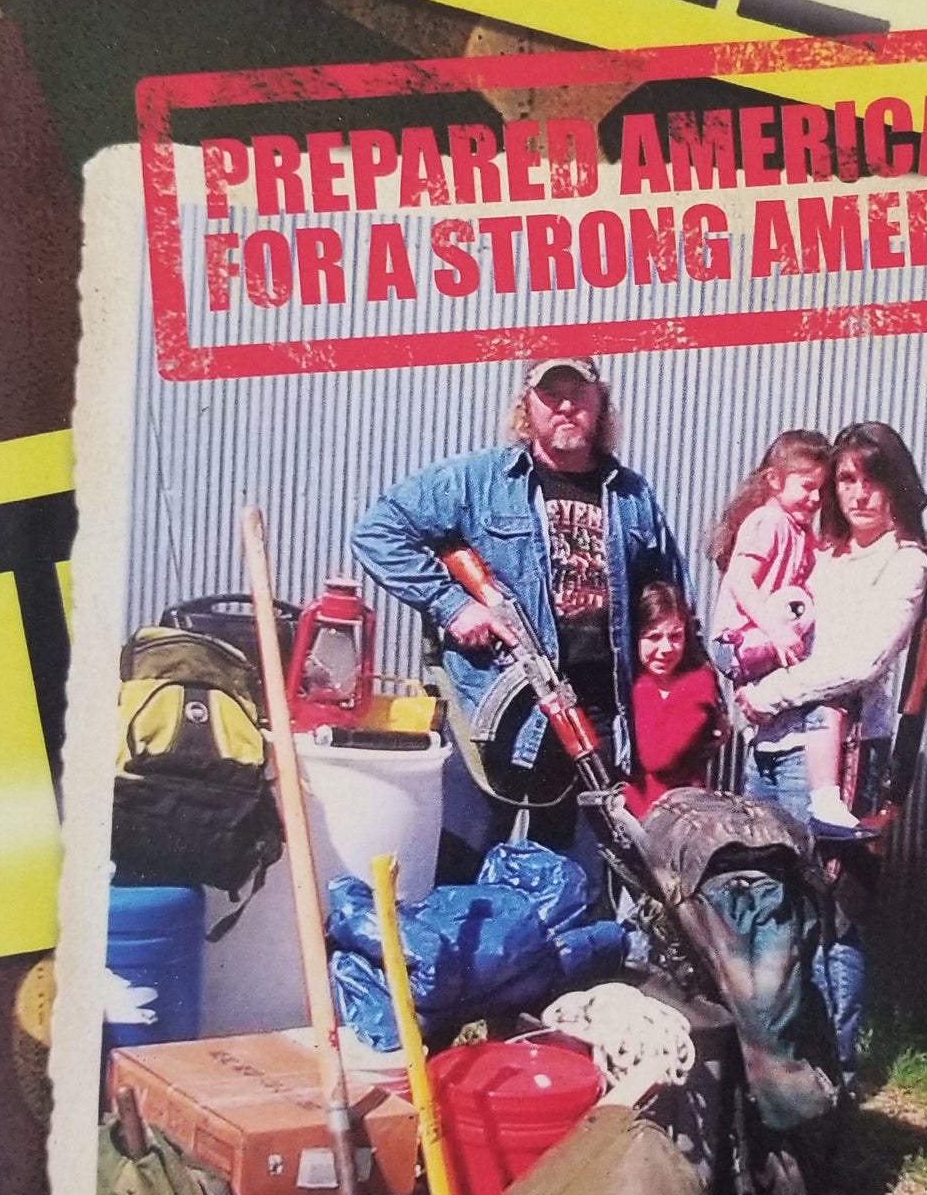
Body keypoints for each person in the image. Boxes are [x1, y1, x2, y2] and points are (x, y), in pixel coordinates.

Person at [350, 355, 686, 870]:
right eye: (551, 395)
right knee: (464, 870)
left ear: (601, 404)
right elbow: (378, 531)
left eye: (578, 395)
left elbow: (670, 593)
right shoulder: (478, 480)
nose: (565, 407)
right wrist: (452, 605)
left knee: (577, 882)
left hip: (595, 716)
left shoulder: (631, 494)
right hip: (494, 713)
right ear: (527, 407)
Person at [735, 422, 927, 1083]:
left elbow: (860, 662)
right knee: (769, 908)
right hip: (770, 745)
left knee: (831, 917)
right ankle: (776, 1069)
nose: (859, 493)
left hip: (839, 754)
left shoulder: (906, 563)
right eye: (846, 479)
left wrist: (770, 692)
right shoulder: (820, 551)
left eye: (873, 478)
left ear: (897, 483)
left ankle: (833, 1076)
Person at [707, 430, 861, 834]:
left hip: (758, 645)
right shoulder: (767, 521)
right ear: (774, 481)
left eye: (821, 491)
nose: (815, 499)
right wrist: (774, 630)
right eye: (807, 487)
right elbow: (741, 579)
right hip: (738, 640)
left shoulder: (801, 532)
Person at [622, 581, 725, 821]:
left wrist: (644, 689)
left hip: (679, 819)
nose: (666, 648)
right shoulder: (627, 681)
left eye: (675, 636)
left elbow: (657, 757)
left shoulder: (696, 685)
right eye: (654, 637)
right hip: (632, 818)